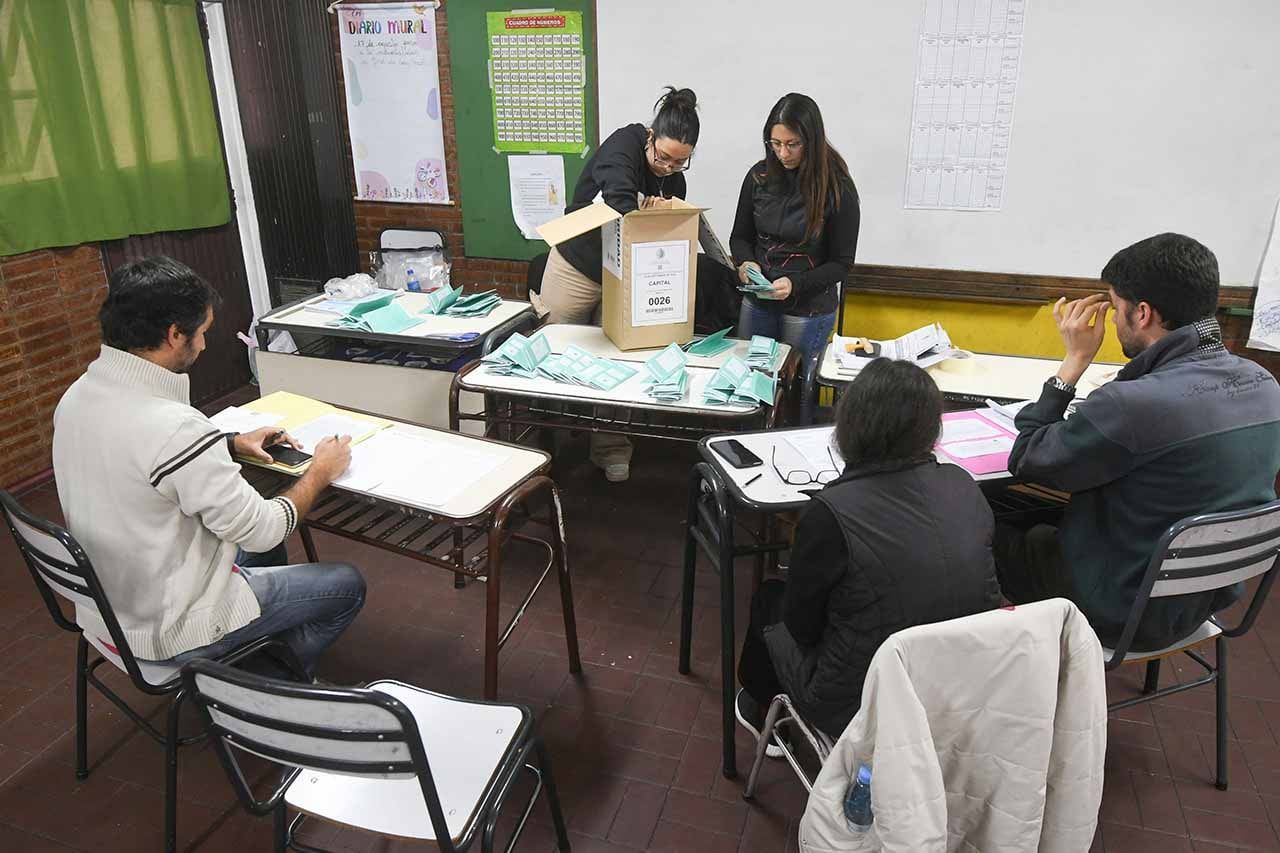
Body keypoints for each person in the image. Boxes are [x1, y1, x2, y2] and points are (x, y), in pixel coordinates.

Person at [52, 256, 366, 677]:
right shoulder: (175, 427)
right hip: (169, 626)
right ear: (173, 334)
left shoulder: (78, 395)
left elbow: (137, 454)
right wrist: (320, 472)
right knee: (346, 584)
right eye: (201, 334)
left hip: (110, 605)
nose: (202, 345)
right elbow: (265, 527)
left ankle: (253, 643)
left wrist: (231, 443)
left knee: (258, 543)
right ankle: (268, 679)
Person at [996, 234, 1280, 652]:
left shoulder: (1132, 405)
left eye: (1115, 308)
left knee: (978, 523)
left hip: (1120, 610)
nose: (1111, 321)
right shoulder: (1265, 385)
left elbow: (1027, 459)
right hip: (1200, 598)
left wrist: (1073, 362)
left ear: (1143, 313)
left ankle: (991, 672)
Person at [735, 359, 1002, 744]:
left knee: (768, 600)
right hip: (956, 683)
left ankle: (766, 715)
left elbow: (801, 626)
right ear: (931, 428)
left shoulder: (830, 512)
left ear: (850, 424)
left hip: (858, 700)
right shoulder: (963, 484)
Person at [539, 86, 700, 483]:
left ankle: (610, 447)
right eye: (663, 157)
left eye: (681, 162)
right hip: (576, 265)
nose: (667, 168)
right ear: (650, 137)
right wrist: (648, 219)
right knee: (553, 352)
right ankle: (542, 446)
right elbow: (620, 199)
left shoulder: (672, 178)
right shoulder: (622, 147)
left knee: (614, 364)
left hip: (620, 276)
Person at [729, 93, 860, 369]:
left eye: (793, 144)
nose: (783, 153)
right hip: (759, 301)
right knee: (750, 379)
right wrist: (746, 262)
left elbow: (842, 263)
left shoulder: (838, 188)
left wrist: (795, 285)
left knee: (795, 388)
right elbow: (740, 237)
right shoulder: (759, 177)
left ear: (811, 142)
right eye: (775, 144)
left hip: (808, 309)